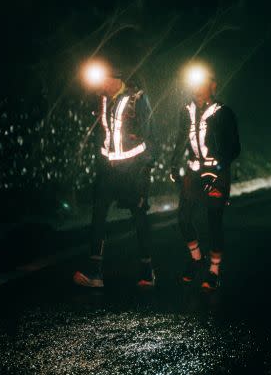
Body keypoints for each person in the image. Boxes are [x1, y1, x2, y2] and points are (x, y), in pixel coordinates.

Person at [73, 62, 157, 288]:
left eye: (102, 79)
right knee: (98, 214)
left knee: (139, 217)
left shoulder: (137, 99)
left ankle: (147, 272)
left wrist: (144, 169)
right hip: (108, 171)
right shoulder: (102, 100)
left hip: (133, 171)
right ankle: (95, 274)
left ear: (115, 78)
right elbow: (101, 134)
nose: (99, 84)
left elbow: (150, 136)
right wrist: (101, 159)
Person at [169, 64, 240, 290]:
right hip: (193, 171)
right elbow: (181, 139)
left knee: (214, 221)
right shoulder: (186, 111)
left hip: (216, 173)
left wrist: (220, 164)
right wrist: (173, 163)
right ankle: (197, 259)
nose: (197, 89)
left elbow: (235, 147)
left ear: (213, 86)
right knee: (183, 218)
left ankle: (214, 271)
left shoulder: (223, 112)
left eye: (202, 84)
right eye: (194, 84)